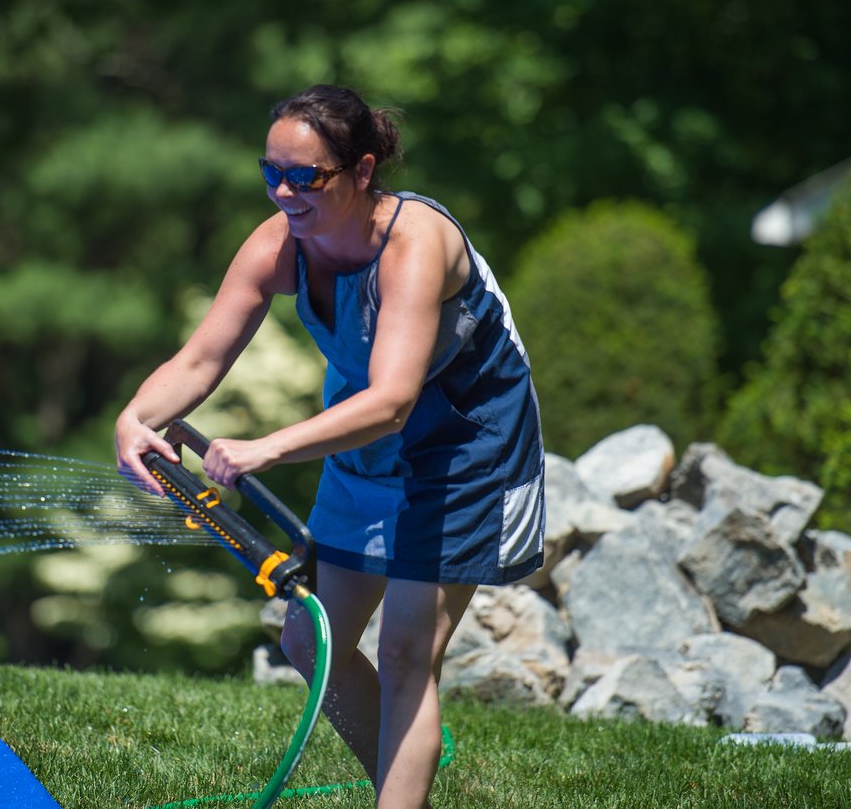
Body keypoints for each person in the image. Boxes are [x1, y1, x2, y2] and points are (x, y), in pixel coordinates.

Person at [115, 84, 545, 808]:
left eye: (305, 177)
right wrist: (136, 417)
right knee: (310, 644)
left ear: (363, 170)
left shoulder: (415, 245)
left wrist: (267, 448)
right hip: (367, 446)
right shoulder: (281, 245)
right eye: (270, 173)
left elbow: (392, 400)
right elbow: (199, 361)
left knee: (408, 653)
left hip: (466, 451)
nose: (284, 192)